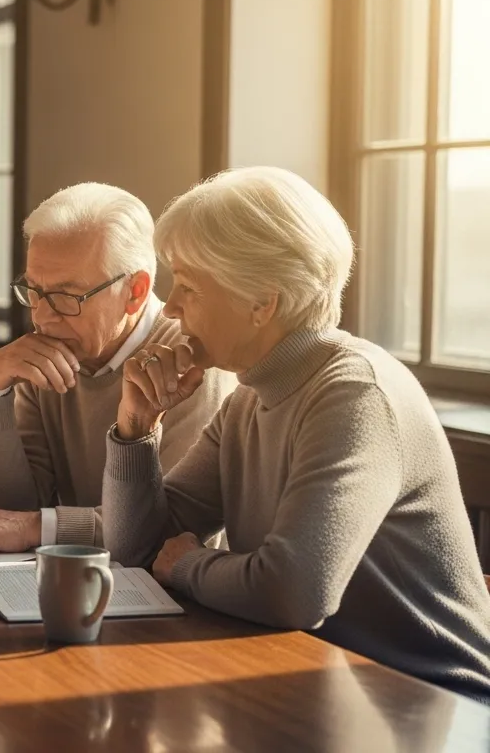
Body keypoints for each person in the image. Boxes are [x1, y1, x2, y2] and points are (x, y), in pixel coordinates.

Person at [102, 166, 490, 702]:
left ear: (264, 301)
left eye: (188, 285)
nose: (170, 307)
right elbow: (137, 549)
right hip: (315, 684)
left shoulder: (354, 394)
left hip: (431, 704)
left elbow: (295, 592)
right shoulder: (249, 396)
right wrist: (136, 429)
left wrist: (188, 565)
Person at [0, 183, 235, 554]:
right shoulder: (48, 352)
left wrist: (37, 527)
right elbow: (0, 517)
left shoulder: (192, 366)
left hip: (179, 599)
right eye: (34, 291)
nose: (42, 317)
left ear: (135, 291)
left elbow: (167, 530)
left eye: (65, 297)